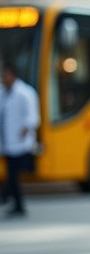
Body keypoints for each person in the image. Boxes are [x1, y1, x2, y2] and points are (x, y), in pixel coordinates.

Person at [0, 62, 40, 218]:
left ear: (12, 75)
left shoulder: (25, 93)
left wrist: (25, 128)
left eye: (5, 76)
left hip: (21, 142)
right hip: (8, 141)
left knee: (13, 175)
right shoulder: (3, 93)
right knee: (13, 176)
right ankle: (17, 204)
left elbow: (33, 117)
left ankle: (9, 199)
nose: (3, 79)